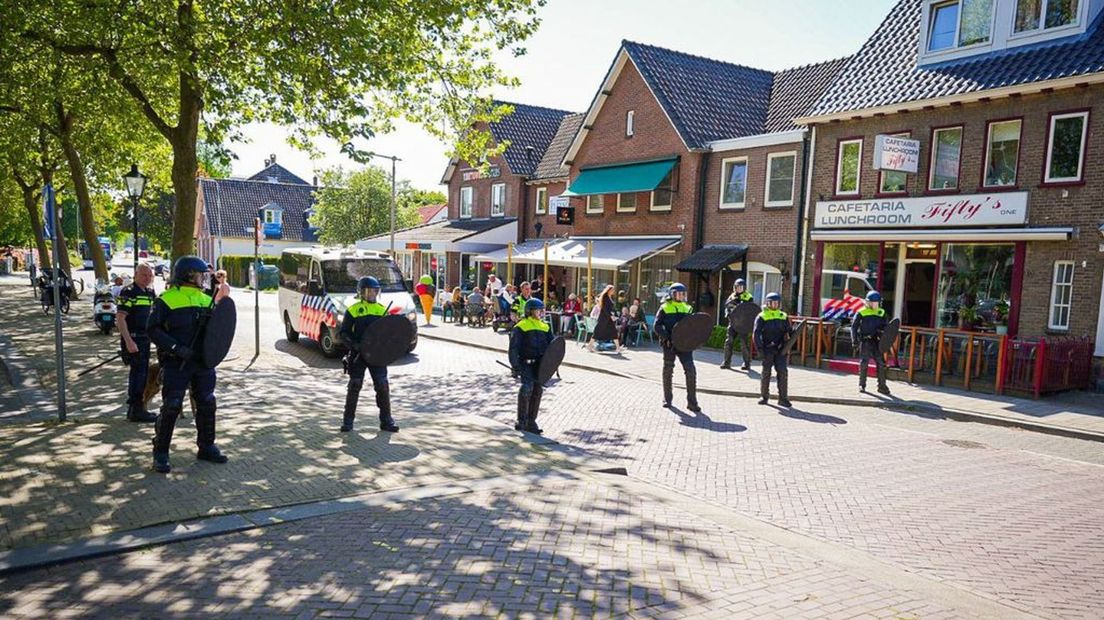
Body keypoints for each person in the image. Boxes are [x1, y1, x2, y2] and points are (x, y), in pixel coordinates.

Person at [148, 256, 227, 473]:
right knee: (172, 405)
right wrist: (175, 348)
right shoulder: (166, 299)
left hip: (202, 363)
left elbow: (218, 330)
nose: (203, 278)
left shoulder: (205, 299)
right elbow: (153, 329)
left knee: (207, 403)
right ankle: (161, 452)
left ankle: (207, 446)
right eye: (200, 274)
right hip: (177, 363)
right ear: (189, 275)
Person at [339, 276, 399, 433]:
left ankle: (386, 421)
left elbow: (388, 335)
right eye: (369, 291)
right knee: (354, 385)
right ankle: (348, 421)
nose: (372, 293)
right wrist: (355, 345)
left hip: (377, 356)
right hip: (358, 355)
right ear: (361, 292)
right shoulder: (353, 310)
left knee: (383, 386)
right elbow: (343, 333)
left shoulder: (381, 310)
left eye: (374, 290)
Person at [115, 263, 158, 423]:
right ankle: (135, 409)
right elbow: (120, 318)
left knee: (143, 374)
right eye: (144, 275)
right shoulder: (128, 292)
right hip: (133, 338)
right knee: (137, 374)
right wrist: (128, 341)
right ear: (136, 275)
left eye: (150, 276)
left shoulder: (149, 293)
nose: (147, 278)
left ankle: (138, 407)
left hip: (145, 339)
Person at [509, 298, 554, 434]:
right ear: (529, 311)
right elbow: (514, 348)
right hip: (526, 363)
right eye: (537, 310)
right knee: (526, 388)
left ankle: (531, 421)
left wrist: (552, 364)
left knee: (537, 391)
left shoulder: (545, 326)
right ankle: (521, 420)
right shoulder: (521, 326)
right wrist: (515, 365)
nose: (540, 312)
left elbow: (552, 347)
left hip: (540, 366)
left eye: (541, 310)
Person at [653, 283, 700, 412]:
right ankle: (667, 399)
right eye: (678, 293)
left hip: (685, 346)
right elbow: (656, 326)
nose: (680, 296)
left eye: (682, 293)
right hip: (669, 345)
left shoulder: (688, 308)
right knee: (668, 370)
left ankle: (692, 402)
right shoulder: (664, 308)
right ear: (671, 294)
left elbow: (693, 326)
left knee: (691, 371)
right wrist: (667, 337)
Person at [753, 292, 792, 408]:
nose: (775, 305)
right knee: (766, 372)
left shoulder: (783, 316)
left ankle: (783, 398)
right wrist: (760, 349)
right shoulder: (762, 316)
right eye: (773, 302)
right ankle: (764, 396)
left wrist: (793, 333)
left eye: (777, 303)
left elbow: (788, 331)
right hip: (767, 348)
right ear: (768, 303)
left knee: (783, 372)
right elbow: (756, 334)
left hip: (781, 349)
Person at [851, 291, 891, 395]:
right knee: (864, 363)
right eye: (873, 303)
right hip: (865, 341)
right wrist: (854, 340)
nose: (875, 305)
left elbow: (886, 328)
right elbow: (854, 327)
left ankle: (882, 386)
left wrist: (885, 337)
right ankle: (862, 385)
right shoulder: (861, 312)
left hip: (877, 341)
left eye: (877, 303)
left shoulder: (881, 312)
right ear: (867, 302)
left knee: (881, 363)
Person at [721, 278, 755, 370]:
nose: (739, 289)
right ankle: (726, 362)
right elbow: (727, 307)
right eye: (737, 287)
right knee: (729, 341)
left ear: (744, 287)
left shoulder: (748, 297)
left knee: (744, 343)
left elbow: (751, 310)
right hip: (733, 323)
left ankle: (746, 363)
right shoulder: (731, 296)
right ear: (734, 287)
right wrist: (728, 314)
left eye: (741, 287)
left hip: (743, 324)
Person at [590, 284, 620, 352]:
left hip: (608, 318)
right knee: (597, 332)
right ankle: (589, 346)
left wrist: (613, 314)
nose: (613, 291)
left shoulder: (609, 297)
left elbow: (610, 308)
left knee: (613, 332)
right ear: (609, 290)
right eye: (612, 290)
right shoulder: (605, 297)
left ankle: (618, 348)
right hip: (604, 318)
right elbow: (605, 309)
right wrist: (611, 316)